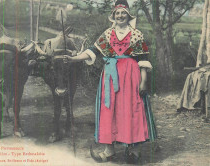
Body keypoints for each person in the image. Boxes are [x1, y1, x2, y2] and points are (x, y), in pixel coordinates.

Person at [64, 0, 157, 163]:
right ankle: (109, 151)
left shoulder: (136, 34)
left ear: (128, 15)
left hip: (131, 76)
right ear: (113, 16)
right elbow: (92, 51)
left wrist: (143, 81)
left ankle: (133, 152)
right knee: (109, 111)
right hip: (110, 77)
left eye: (123, 13)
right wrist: (73, 59)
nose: (120, 16)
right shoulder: (107, 34)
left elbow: (143, 59)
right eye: (117, 13)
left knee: (132, 110)